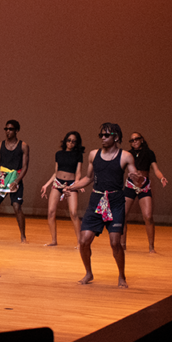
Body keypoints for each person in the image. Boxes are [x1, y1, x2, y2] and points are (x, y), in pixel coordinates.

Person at [64, 123, 143, 289]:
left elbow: (136, 176)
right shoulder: (94, 155)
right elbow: (88, 178)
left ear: (116, 137)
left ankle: (122, 276)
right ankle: (88, 273)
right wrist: (72, 186)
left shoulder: (125, 156)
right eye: (101, 135)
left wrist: (138, 179)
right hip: (96, 200)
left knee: (115, 242)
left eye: (106, 135)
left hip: (115, 201)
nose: (103, 138)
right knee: (84, 240)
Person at [122, 132, 169, 253]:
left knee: (148, 216)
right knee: (122, 215)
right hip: (130, 185)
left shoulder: (149, 153)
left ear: (141, 140)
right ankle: (122, 245)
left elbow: (156, 169)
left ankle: (151, 247)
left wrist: (161, 177)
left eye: (136, 139)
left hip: (144, 186)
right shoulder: (128, 154)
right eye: (132, 140)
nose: (134, 142)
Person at [0, 119, 30, 242]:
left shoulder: (23, 146)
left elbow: (25, 166)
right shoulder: (0, 145)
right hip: (2, 178)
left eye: (10, 129)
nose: (8, 131)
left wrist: (17, 181)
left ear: (16, 131)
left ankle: (23, 236)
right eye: (6, 129)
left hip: (15, 178)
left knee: (16, 207)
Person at [39, 131, 84, 247]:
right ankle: (54, 240)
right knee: (51, 212)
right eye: (69, 140)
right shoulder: (59, 154)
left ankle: (80, 242)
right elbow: (56, 172)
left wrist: (78, 184)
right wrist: (46, 184)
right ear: (65, 141)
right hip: (58, 183)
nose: (71, 143)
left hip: (71, 184)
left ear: (76, 143)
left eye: (74, 141)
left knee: (73, 212)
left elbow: (78, 173)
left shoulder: (78, 155)